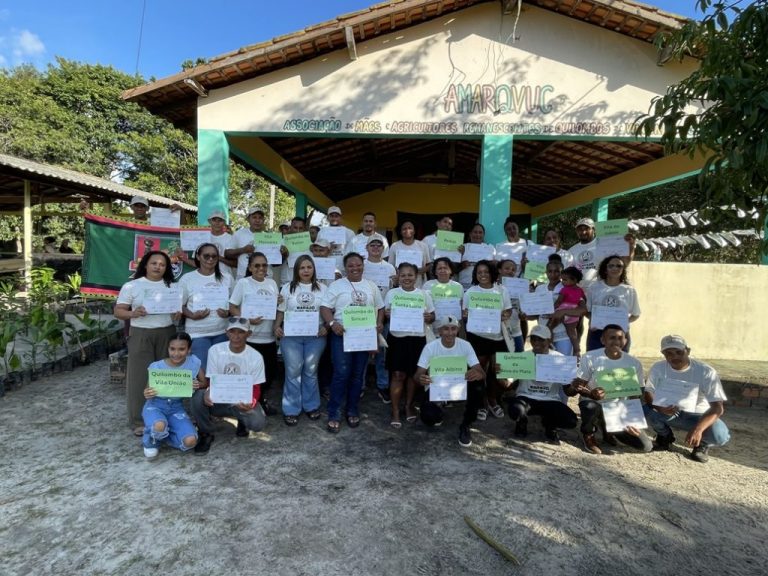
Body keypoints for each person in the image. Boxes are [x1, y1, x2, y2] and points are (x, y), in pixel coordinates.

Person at [114, 250, 181, 435]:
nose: (158, 267)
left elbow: (177, 311)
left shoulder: (172, 287)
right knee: (140, 377)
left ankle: (166, 416)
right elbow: (119, 311)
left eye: (162, 264)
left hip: (167, 333)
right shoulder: (132, 286)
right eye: (154, 263)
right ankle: (138, 421)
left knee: (166, 376)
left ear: (167, 268)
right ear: (145, 265)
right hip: (141, 333)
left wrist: (177, 313)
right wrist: (132, 313)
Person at [320, 252, 385, 433]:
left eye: (358, 265)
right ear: (345, 267)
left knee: (357, 375)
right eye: (351, 266)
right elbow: (325, 307)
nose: (355, 268)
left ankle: (352, 409)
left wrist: (379, 322)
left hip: (363, 336)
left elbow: (380, 307)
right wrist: (333, 323)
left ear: (363, 266)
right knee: (341, 373)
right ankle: (334, 413)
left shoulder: (371, 286)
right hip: (342, 335)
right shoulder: (336, 285)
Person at [643, 335, 730, 463]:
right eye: (669, 353)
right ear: (663, 354)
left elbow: (718, 408)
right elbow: (648, 392)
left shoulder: (706, 372)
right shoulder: (658, 367)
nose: (674, 357)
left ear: (688, 351)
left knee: (720, 435)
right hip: (670, 412)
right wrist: (659, 407)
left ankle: (702, 444)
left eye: (679, 352)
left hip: (699, 416)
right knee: (646, 410)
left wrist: (698, 429)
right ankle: (664, 436)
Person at [568, 324, 653, 455]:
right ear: (603, 340)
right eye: (612, 338)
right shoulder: (590, 357)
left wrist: (632, 419)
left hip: (618, 409)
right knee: (589, 406)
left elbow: (637, 395)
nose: (617, 341)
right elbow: (579, 386)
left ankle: (609, 428)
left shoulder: (634, 363)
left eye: (620, 338)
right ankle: (588, 434)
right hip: (594, 403)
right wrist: (591, 393)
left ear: (625, 340)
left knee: (645, 446)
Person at [191, 317, 267, 454]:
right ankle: (205, 433)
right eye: (232, 332)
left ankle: (242, 421)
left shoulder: (256, 356)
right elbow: (210, 379)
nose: (236, 336)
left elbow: (256, 387)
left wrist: (251, 402)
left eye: (241, 332)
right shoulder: (215, 350)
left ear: (248, 334)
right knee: (198, 397)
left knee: (257, 423)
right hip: (219, 400)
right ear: (227, 332)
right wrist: (208, 391)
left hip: (241, 401)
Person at [413, 315, 486, 447]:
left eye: (453, 329)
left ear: (457, 330)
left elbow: (482, 373)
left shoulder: (465, 345)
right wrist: (421, 379)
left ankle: (466, 425)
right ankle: (439, 410)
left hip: (460, 387)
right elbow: (417, 375)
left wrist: (476, 374)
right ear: (439, 331)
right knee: (428, 417)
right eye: (446, 329)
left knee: (478, 385)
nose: (450, 332)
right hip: (437, 389)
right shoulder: (430, 347)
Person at [273, 255, 328, 425]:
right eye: (302, 267)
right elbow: (281, 310)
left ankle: (311, 406)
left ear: (314, 269)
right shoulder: (287, 288)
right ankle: (291, 408)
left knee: (311, 370)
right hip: (291, 336)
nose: (306, 271)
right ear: (296, 270)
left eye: (309, 267)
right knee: (293, 371)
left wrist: (326, 326)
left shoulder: (323, 289)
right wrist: (276, 326)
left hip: (315, 336)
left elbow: (328, 310)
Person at [503, 326, 578, 444]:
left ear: (549, 341)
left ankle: (550, 424)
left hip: (550, 399)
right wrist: (501, 373)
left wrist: (575, 386)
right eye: (533, 339)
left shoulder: (560, 359)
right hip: (526, 398)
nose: (536, 343)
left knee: (571, 420)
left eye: (541, 339)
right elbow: (508, 386)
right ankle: (521, 423)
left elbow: (568, 391)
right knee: (515, 410)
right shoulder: (523, 357)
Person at [229, 252, 280, 416]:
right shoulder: (243, 283)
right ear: (250, 267)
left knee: (268, 375)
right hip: (250, 338)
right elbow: (233, 307)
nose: (261, 268)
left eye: (264, 265)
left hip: (269, 338)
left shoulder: (272, 283)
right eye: (257, 265)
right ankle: (242, 409)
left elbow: (276, 307)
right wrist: (247, 320)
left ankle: (260, 402)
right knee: (248, 375)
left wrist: (278, 301)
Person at [384, 262, 435, 427]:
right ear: (398, 276)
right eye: (403, 275)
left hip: (417, 338)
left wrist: (429, 318)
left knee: (414, 375)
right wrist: (387, 314)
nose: (407, 278)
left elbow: (432, 315)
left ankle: (408, 406)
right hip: (397, 339)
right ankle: (395, 410)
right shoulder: (392, 293)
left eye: (410, 275)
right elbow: (386, 315)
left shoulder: (424, 294)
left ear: (416, 276)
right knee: (398, 375)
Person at [462, 260, 513, 420]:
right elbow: (465, 314)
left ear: (492, 273)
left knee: (496, 371)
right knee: (480, 370)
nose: (483, 275)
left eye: (486, 271)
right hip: (478, 337)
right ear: (475, 275)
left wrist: (505, 315)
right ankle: (482, 402)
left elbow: (508, 310)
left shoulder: (501, 290)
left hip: (497, 336)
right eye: (479, 272)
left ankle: (492, 399)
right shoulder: (471, 292)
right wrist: (467, 315)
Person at [141, 332, 202, 459]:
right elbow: (147, 389)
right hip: (155, 405)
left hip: (176, 408)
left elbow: (204, 382)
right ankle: (151, 440)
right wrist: (147, 393)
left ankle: (165, 437)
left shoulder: (193, 363)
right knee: (159, 425)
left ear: (189, 349)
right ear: (168, 348)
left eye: (182, 349)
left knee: (190, 441)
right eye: (172, 349)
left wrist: (197, 385)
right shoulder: (157, 366)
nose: (176, 353)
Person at [179, 243, 233, 370]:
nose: (210, 259)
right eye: (206, 256)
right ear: (198, 257)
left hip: (222, 332)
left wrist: (228, 312)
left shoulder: (227, 278)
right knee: (201, 371)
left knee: (220, 370)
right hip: (197, 333)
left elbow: (234, 303)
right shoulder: (187, 279)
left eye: (214, 256)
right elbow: (178, 305)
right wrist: (191, 315)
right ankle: (202, 391)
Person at [363, 236, 397, 402]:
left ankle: (382, 385)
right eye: (372, 244)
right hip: (362, 315)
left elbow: (393, 292)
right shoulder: (361, 264)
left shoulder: (390, 268)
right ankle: (360, 385)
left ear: (384, 248)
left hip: (384, 315)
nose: (376, 247)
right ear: (366, 247)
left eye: (379, 245)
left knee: (382, 353)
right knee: (361, 351)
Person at [530, 256, 584, 356]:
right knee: (545, 367)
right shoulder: (539, 289)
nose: (553, 274)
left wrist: (562, 312)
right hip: (543, 335)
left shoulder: (570, 287)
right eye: (550, 271)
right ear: (546, 273)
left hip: (563, 335)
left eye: (557, 271)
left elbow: (582, 310)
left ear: (562, 273)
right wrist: (526, 315)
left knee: (562, 364)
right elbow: (536, 314)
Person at [585, 255, 640, 352]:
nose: (615, 268)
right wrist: (594, 321)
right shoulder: (594, 287)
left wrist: (623, 322)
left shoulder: (629, 290)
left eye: (619, 266)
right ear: (605, 269)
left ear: (623, 269)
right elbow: (587, 311)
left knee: (618, 365)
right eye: (611, 266)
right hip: (597, 333)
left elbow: (635, 314)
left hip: (620, 334)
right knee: (594, 363)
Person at [568, 217, 636, 288]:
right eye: (580, 229)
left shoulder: (605, 244)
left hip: (600, 290)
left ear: (593, 229)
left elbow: (624, 261)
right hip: (577, 292)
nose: (583, 232)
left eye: (586, 229)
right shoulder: (572, 250)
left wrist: (631, 246)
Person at [226, 205, 272, 280]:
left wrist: (283, 254)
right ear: (248, 219)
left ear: (263, 220)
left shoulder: (270, 238)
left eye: (260, 218)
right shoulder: (239, 234)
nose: (257, 220)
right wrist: (243, 250)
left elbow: (276, 263)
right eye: (254, 217)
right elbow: (227, 253)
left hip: (265, 278)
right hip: (243, 277)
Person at [550, 266, 586, 356]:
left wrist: (552, 309)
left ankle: (549, 343)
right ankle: (577, 349)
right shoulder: (580, 290)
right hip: (574, 314)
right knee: (572, 333)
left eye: (565, 280)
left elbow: (559, 302)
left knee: (550, 326)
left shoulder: (564, 289)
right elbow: (583, 300)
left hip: (562, 311)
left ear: (574, 280)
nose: (562, 282)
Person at [423, 257, 464, 336]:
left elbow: (461, 306)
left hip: (452, 329)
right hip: (434, 329)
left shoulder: (458, 286)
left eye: (445, 268)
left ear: (451, 270)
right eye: (439, 268)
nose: (442, 270)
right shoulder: (428, 285)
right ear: (435, 271)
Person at [388, 220, 431, 287]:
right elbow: (390, 266)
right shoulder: (394, 246)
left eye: (410, 228)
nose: (407, 230)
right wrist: (396, 271)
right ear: (400, 232)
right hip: (400, 285)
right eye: (404, 229)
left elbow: (429, 264)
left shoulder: (423, 245)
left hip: (419, 284)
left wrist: (422, 270)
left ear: (414, 231)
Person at [496, 259, 524, 353]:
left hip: (516, 330)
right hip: (498, 332)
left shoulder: (520, 287)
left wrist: (523, 314)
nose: (510, 271)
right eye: (507, 268)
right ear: (499, 270)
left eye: (513, 270)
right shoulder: (492, 286)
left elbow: (522, 308)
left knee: (518, 361)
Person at [318, 206, 355, 271]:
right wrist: (327, 248)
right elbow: (317, 251)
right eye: (331, 216)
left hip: (343, 269)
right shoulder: (322, 232)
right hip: (326, 268)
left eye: (336, 216)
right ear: (327, 218)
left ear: (340, 217)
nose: (334, 218)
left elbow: (353, 251)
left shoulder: (349, 233)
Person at [459, 223, 496, 289]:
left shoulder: (491, 248)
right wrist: (461, 265)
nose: (478, 235)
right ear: (470, 234)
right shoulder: (462, 247)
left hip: (485, 285)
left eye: (480, 232)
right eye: (475, 232)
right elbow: (453, 267)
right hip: (466, 284)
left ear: (483, 235)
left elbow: (495, 268)